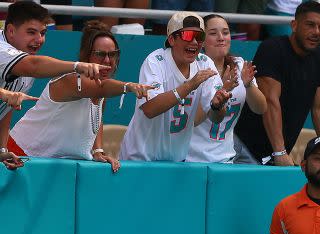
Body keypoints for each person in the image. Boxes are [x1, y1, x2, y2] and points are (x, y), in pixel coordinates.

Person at [8, 22, 152, 172]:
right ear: (86, 56)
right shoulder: (72, 81)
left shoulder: (100, 92)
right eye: (100, 54)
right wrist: (128, 86)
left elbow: (97, 120)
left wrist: (98, 151)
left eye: (113, 54)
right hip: (18, 154)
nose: (108, 61)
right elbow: (102, 88)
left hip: (48, 165)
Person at [0, 1, 111, 170]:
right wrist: (77, 66)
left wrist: (2, 150)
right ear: (11, 31)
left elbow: (5, 112)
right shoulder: (6, 52)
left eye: (43, 33)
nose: (39, 40)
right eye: (31, 32)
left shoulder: (26, 61)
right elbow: (34, 66)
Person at [119, 12, 232, 162]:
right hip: (140, 158)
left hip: (177, 162)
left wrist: (218, 106)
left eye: (199, 37)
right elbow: (150, 109)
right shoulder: (155, 61)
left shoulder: (205, 63)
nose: (194, 42)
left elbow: (216, 118)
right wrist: (190, 85)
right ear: (172, 39)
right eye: (188, 35)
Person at [234, 2, 320, 166]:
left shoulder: (316, 55)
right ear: (294, 25)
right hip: (244, 149)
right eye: (310, 25)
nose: (316, 32)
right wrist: (280, 152)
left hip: (273, 155)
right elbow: (271, 101)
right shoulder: (273, 49)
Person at [186, 14, 267, 163]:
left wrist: (248, 85)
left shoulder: (239, 64)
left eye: (225, 32)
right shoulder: (193, 69)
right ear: (201, 41)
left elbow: (260, 108)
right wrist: (221, 90)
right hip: (191, 158)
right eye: (213, 33)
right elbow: (193, 121)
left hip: (226, 158)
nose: (221, 37)